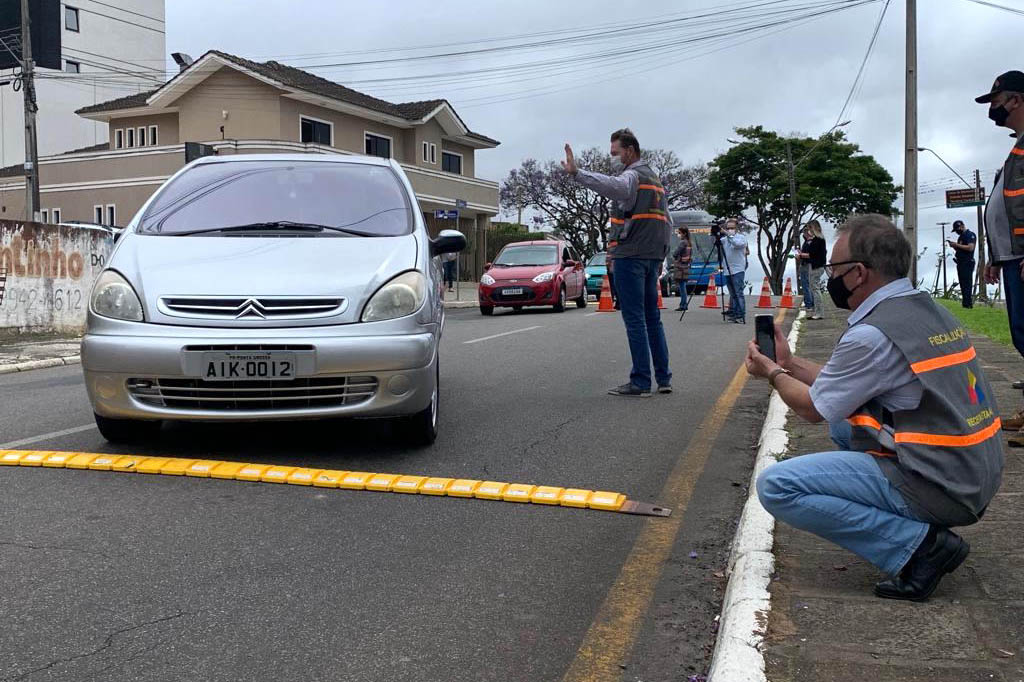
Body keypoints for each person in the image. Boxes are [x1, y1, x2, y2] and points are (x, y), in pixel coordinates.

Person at [746, 214, 1003, 601]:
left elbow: (813, 409)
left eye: (835, 267)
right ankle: (907, 523)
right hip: (975, 472)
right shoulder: (926, 310)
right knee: (845, 427)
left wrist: (773, 373)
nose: (831, 276)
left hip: (943, 486)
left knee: (777, 487)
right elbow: (839, 388)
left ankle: (919, 547)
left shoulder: (871, 335)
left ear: (859, 273)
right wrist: (791, 363)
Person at [563, 128, 673, 396]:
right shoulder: (655, 179)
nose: (612, 158)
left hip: (631, 256)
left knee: (634, 319)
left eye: (615, 153)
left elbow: (613, 186)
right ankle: (663, 378)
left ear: (630, 151)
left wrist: (578, 173)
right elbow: (667, 221)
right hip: (651, 256)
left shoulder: (633, 176)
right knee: (652, 318)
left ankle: (641, 381)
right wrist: (661, 256)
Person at [976, 70, 1024, 442]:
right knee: (1021, 334)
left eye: (996, 101)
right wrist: (995, 254)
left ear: (1016, 100)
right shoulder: (1018, 146)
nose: (993, 109)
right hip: (1011, 257)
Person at [796, 220, 827, 320]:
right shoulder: (819, 239)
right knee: (814, 288)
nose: (808, 231)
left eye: (809, 228)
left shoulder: (818, 240)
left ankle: (819, 312)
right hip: (816, 265)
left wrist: (800, 255)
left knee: (815, 289)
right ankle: (818, 311)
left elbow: (811, 254)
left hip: (816, 266)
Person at [719, 218, 748, 323]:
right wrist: (716, 233)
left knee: (738, 292)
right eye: (728, 228)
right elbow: (716, 243)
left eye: (732, 228)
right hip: (727, 269)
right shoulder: (725, 239)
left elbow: (737, 244)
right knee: (733, 294)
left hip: (738, 269)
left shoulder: (741, 238)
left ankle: (741, 314)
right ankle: (734, 312)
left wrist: (727, 234)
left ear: (736, 228)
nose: (730, 230)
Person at [947, 220, 976, 308]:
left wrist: (957, 245)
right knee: (962, 283)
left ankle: (968, 304)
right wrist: (955, 246)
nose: (957, 232)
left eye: (957, 229)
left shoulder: (970, 235)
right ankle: (965, 303)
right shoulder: (961, 237)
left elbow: (970, 248)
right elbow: (961, 249)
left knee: (967, 283)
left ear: (962, 226)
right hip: (960, 262)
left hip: (967, 262)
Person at [672, 226, 692, 311]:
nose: (678, 235)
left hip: (680, 266)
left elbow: (675, 253)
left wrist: (675, 256)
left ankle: (683, 304)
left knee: (682, 286)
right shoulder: (689, 243)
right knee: (683, 285)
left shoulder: (682, 243)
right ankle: (684, 304)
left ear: (684, 233)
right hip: (686, 266)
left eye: (679, 233)